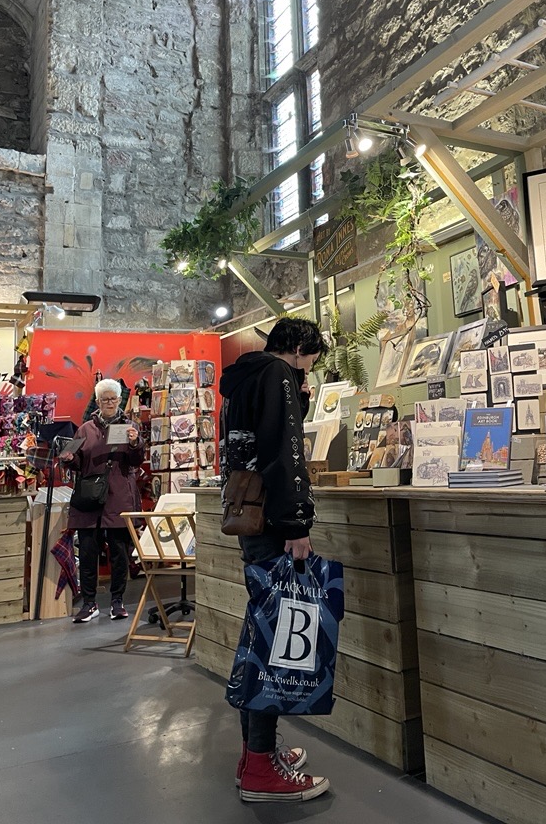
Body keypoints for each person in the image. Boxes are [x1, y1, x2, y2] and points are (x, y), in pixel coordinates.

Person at [219, 317, 330, 803]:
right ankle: (262, 767)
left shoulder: (243, 377)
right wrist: (296, 524)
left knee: (259, 637)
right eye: (310, 359)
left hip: (247, 517)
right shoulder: (278, 375)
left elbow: (247, 448)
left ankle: (254, 755)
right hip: (272, 525)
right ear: (300, 348)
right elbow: (283, 453)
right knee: (273, 644)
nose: (308, 370)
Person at [61, 378, 143, 622]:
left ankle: (117, 602)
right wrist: (68, 458)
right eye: (104, 398)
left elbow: (136, 461)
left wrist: (134, 442)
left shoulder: (130, 426)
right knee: (87, 552)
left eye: (113, 398)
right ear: (97, 401)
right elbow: (78, 463)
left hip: (118, 498)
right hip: (89, 500)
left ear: (120, 400)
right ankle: (89, 603)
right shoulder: (85, 429)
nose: (109, 402)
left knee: (119, 553)